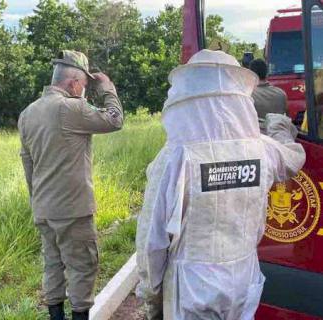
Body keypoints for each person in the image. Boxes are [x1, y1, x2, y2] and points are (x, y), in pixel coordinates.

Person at [136, 50, 305, 320]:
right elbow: (293, 159)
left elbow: (152, 240)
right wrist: (280, 129)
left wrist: (151, 294)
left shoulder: (176, 157)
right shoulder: (261, 149)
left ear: (188, 93)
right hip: (243, 281)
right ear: (236, 93)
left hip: (194, 287)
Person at [18, 50, 123, 320]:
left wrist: (37, 200)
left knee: (53, 265)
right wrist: (108, 90)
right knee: (82, 267)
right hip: (73, 210)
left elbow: (27, 163)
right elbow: (115, 119)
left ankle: (55, 316)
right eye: (84, 86)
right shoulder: (71, 107)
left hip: (43, 208)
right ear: (74, 83)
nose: (84, 91)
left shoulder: (27, 114)